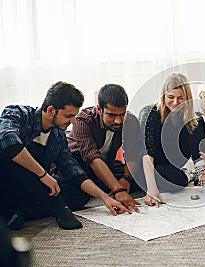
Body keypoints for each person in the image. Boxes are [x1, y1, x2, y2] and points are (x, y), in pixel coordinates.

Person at [0, 82, 131, 231]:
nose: (73, 121)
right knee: (13, 157)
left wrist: (105, 197)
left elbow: (73, 171)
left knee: (79, 196)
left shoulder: (58, 135)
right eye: (69, 116)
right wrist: (43, 174)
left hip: (31, 188)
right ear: (51, 110)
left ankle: (20, 212)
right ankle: (58, 208)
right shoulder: (17, 113)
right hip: (6, 182)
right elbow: (8, 142)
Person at [68, 84, 141, 212]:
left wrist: (126, 179)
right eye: (112, 115)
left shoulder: (130, 121)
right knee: (76, 196)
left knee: (140, 176)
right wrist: (118, 189)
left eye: (122, 114)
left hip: (106, 164)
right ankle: (103, 187)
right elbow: (92, 158)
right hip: (79, 165)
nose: (118, 121)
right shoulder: (83, 120)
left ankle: (104, 186)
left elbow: (132, 155)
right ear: (99, 110)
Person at [138, 73, 205, 207]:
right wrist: (151, 188)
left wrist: (204, 176)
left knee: (196, 120)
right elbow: (147, 151)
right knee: (174, 180)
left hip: (174, 166)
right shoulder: (150, 113)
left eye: (181, 98)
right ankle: (187, 175)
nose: (175, 103)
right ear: (163, 96)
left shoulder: (195, 117)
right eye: (171, 97)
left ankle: (192, 175)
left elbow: (199, 156)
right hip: (153, 166)